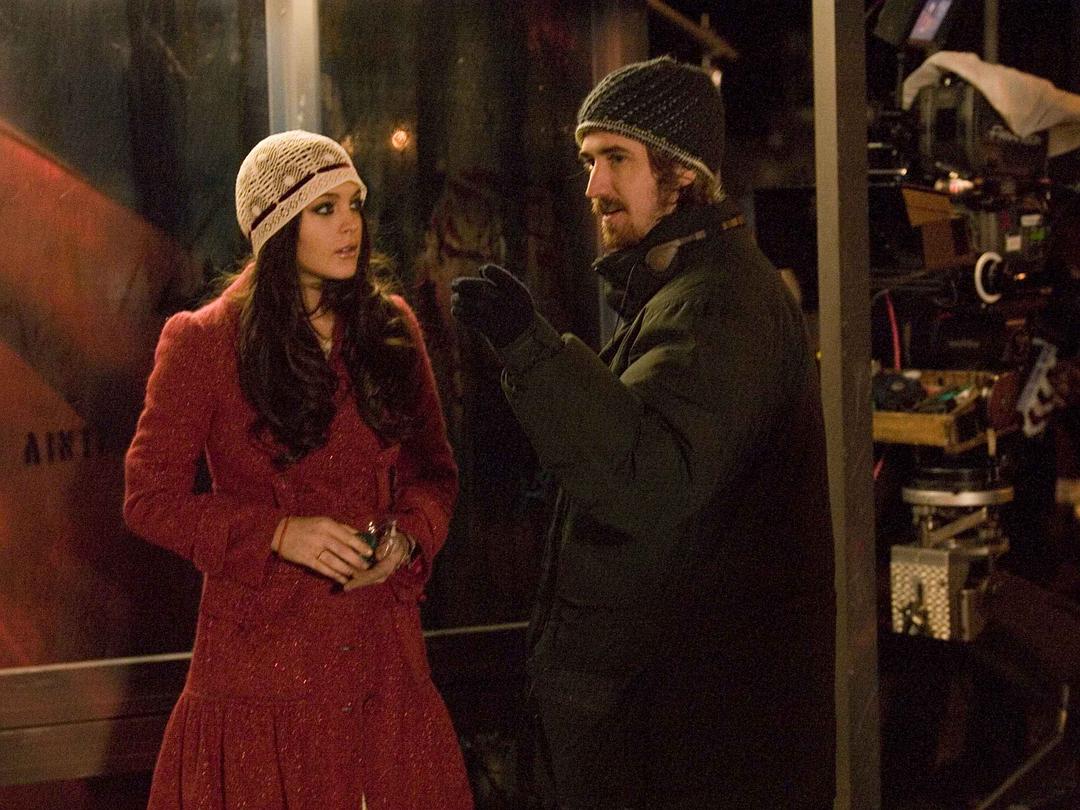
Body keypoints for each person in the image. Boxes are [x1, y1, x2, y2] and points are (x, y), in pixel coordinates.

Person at [451, 57, 836, 809]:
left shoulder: (718, 304)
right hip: (680, 723)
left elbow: (645, 476)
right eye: (589, 161)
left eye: (616, 158)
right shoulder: (684, 292)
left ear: (682, 173)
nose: (594, 186)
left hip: (698, 739)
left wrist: (532, 350)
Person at [124, 130, 473, 810]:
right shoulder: (204, 342)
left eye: (355, 204)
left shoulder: (389, 326)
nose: (350, 225)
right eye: (325, 208)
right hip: (261, 675)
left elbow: (435, 474)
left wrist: (405, 539)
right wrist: (278, 533)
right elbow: (149, 499)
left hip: (383, 666)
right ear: (278, 226)